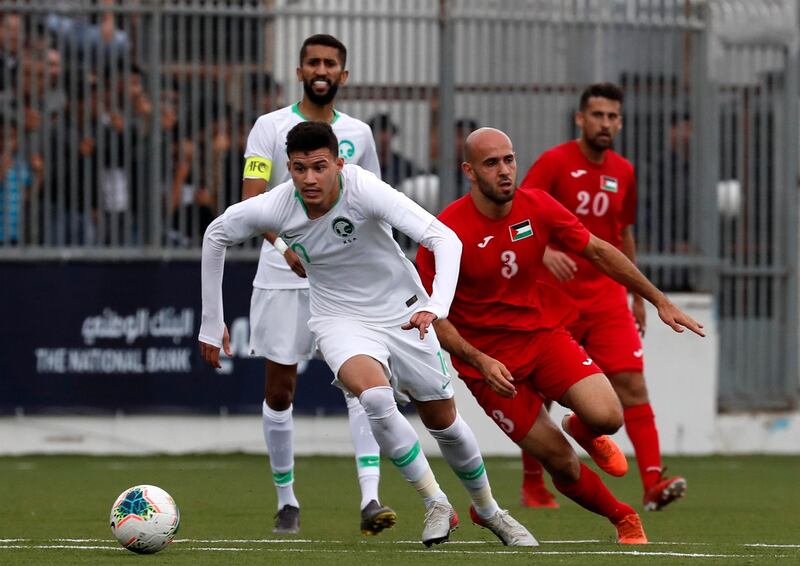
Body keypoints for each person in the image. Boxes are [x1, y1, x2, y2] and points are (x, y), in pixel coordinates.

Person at [199, 121, 537, 548]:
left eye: (319, 167)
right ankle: (435, 502)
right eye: (299, 169)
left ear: (339, 163)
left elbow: (444, 239)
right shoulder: (278, 205)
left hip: (402, 312)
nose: (309, 179)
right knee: (375, 397)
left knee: (444, 424)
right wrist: (212, 322)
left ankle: (489, 511)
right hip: (338, 319)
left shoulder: (364, 189)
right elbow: (215, 234)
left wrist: (436, 305)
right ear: (289, 168)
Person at [416, 127, 704, 543]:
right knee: (561, 462)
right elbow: (434, 315)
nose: (504, 171)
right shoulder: (446, 233)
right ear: (469, 171)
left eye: (509, 160)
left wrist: (658, 298)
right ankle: (622, 516)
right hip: (488, 364)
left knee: (609, 416)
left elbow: (600, 250)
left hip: (542, 337)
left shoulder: (538, 206)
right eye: (491, 163)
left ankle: (583, 428)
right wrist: (478, 360)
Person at [239, 34, 389, 536]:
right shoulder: (268, 127)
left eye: (330, 63)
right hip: (283, 275)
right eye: (312, 62)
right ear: (299, 70)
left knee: (362, 384)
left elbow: (372, 204)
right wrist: (287, 250)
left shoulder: (360, 135)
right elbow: (251, 199)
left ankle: (371, 499)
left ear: (344, 75)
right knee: (280, 390)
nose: (320, 69)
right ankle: (287, 501)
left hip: (344, 281)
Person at [518, 83, 689, 511]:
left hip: (608, 298)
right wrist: (549, 251)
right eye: (598, 115)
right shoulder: (555, 162)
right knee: (543, 394)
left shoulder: (624, 171)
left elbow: (622, 234)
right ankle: (534, 485)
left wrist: (637, 295)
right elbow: (519, 214)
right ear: (580, 119)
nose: (606, 123)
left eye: (613, 116)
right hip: (556, 298)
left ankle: (652, 483)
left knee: (631, 383)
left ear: (621, 122)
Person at [367, 112, 421, 188]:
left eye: (386, 132)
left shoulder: (403, 166)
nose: (384, 138)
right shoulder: (364, 164)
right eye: (380, 133)